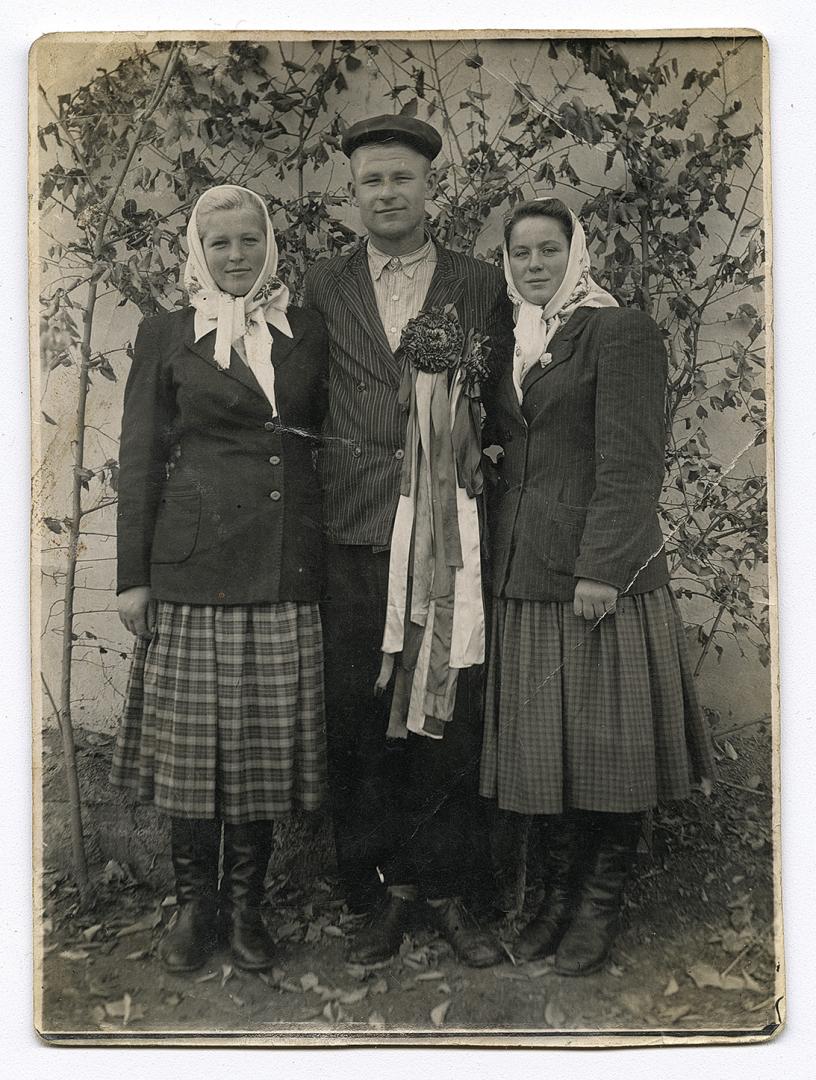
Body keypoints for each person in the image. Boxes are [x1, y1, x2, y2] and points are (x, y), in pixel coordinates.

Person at [480, 198, 715, 976]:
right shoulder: (512, 340)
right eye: (522, 254)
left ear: (575, 255)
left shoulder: (618, 330)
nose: (535, 265)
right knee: (549, 750)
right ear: (508, 263)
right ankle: (555, 894)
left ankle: (599, 902)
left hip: (594, 577)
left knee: (606, 750)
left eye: (550, 250)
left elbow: (631, 461)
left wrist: (601, 570)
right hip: (526, 571)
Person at [304, 115, 512, 967]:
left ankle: (452, 890)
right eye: (370, 183)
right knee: (361, 713)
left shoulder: (478, 280)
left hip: (448, 538)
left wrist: (482, 457)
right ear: (352, 196)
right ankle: (379, 893)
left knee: (447, 714)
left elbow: (497, 399)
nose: (386, 195)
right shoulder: (321, 282)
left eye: (401, 179)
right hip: (354, 529)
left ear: (431, 188)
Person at [111, 185, 329, 975]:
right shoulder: (165, 333)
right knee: (195, 754)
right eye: (220, 243)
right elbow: (138, 458)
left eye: (248, 240)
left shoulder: (306, 330)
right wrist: (132, 577)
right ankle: (192, 907)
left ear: (269, 245)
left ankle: (245, 908)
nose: (235, 256)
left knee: (264, 750)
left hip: (281, 567)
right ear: (198, 252)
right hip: (194, 568)